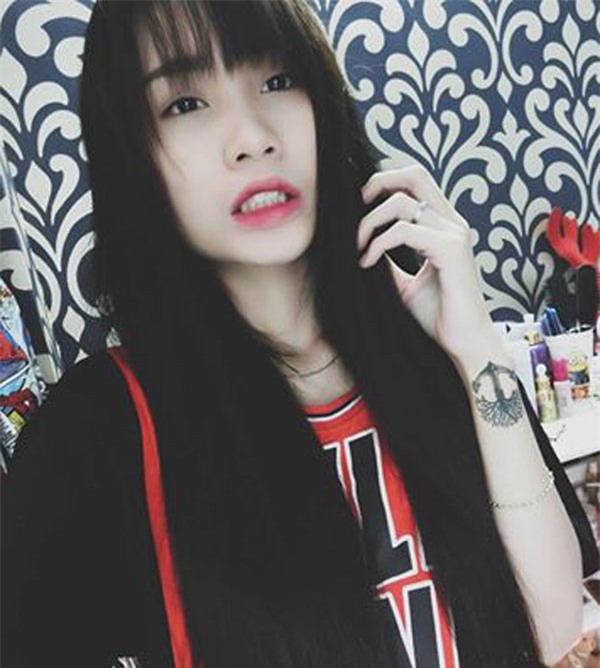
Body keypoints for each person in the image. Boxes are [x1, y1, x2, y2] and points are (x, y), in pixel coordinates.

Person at [1, 1, 597, 667]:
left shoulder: (433, 354)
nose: (252, 138)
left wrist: (478, 347)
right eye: (185, 103)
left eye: (278, 81)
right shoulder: (100, 431)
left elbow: (552, 628)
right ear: (132, 152)